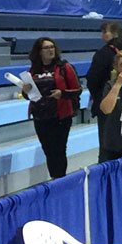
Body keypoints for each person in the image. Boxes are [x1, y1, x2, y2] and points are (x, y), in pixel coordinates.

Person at [23, 37, 81, 179]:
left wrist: (62, 94)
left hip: (60, 115)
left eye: (52, 47)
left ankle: (59, 179)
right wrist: (25, 91)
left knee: (59, 150)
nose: (50, 50)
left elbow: (78, 90)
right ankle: (55, 178)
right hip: (40, 116)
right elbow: (28, 96)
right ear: (39, 52)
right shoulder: (32, 71)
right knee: (48, 150)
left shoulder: (64, 67)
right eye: (46, 48)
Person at [86, 21, 122, 119]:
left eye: (104, 32)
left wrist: (99, 99)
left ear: (115, 33)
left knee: (109, 133)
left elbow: (92, 79)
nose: (102, 35)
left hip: (109, 102)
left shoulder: (103, 53)